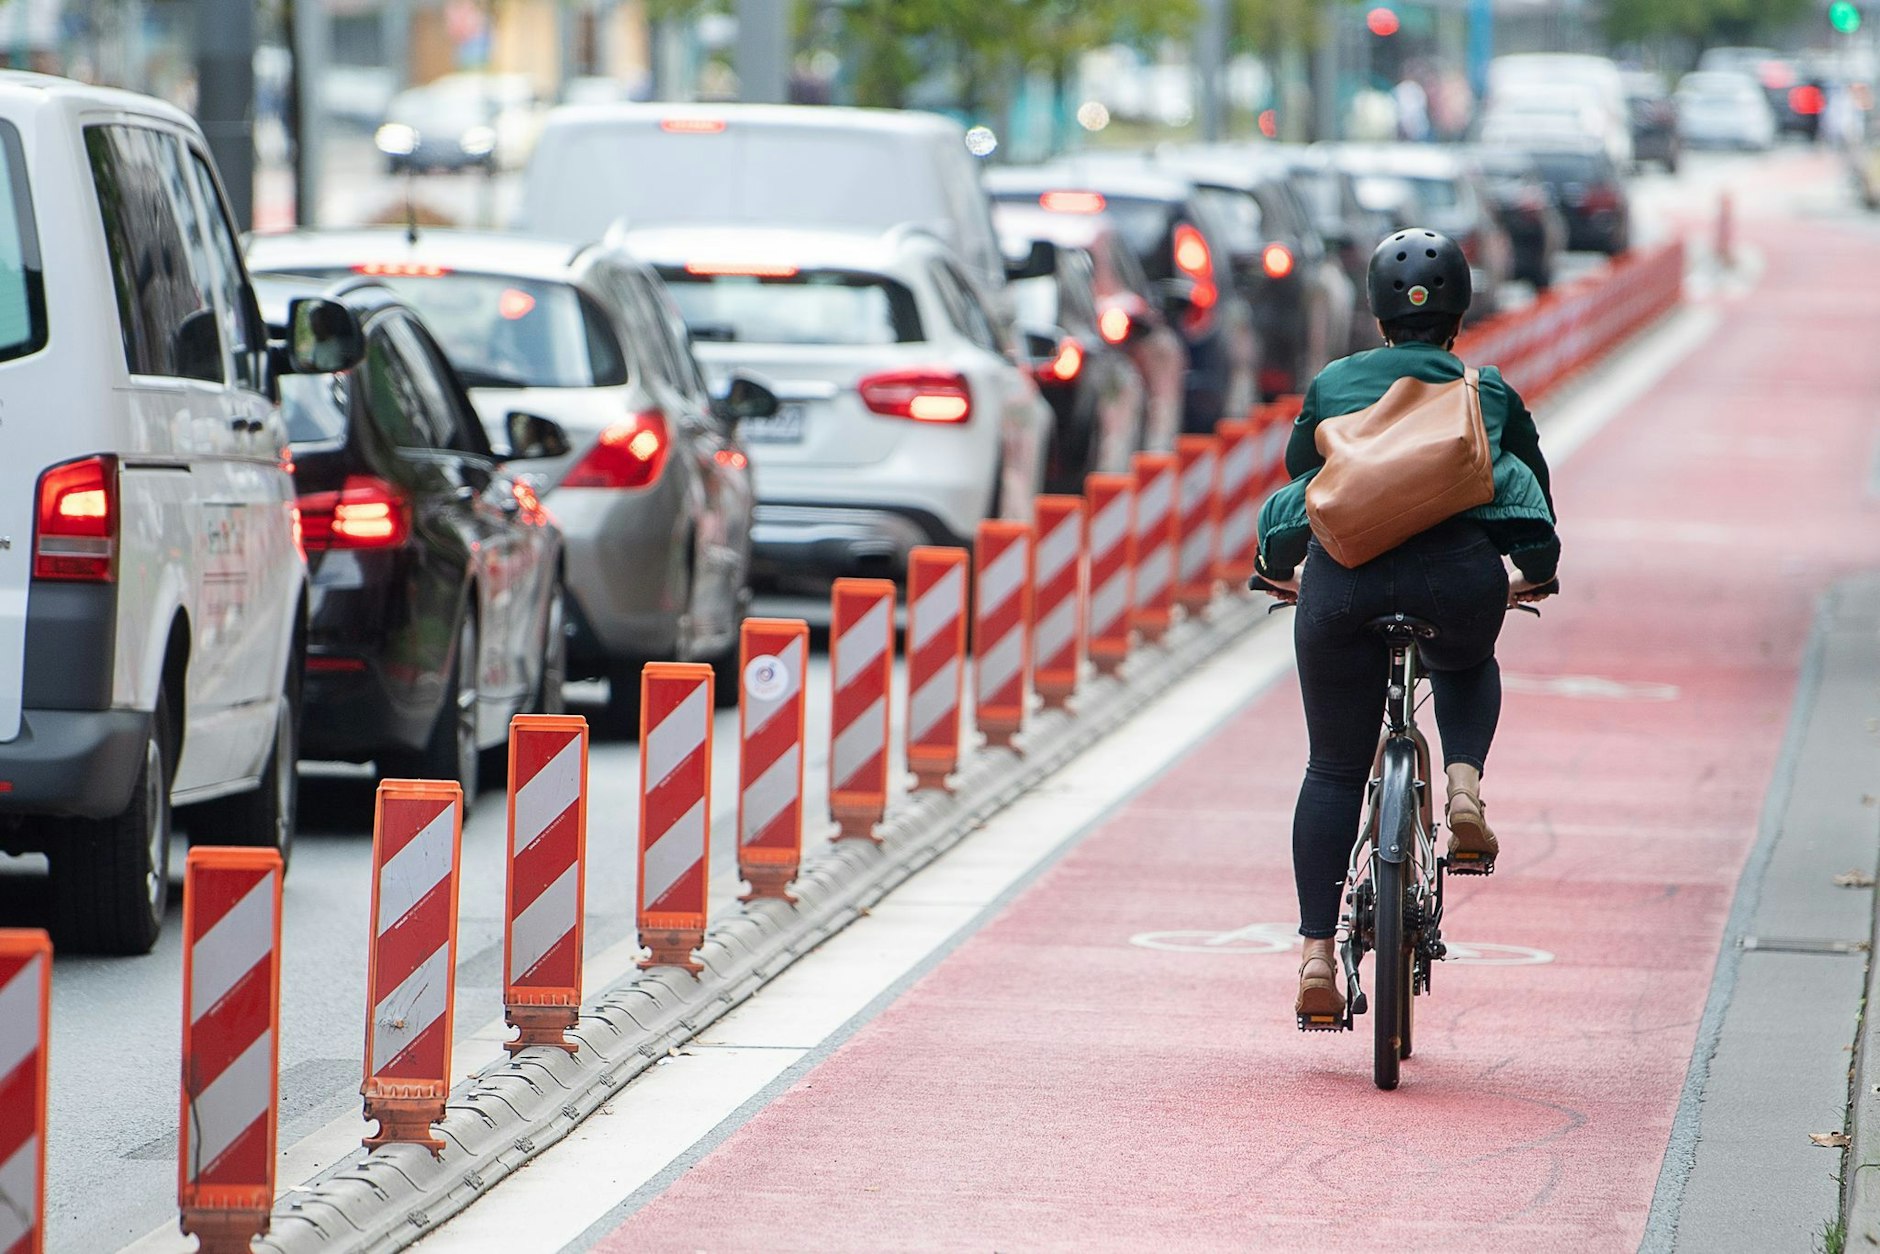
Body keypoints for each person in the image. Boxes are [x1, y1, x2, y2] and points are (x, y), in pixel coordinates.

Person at [1252, 229, 1559, 1023]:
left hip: (1342, 586)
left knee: (1332, 769)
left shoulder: (1332, 384)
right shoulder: (1486, 391)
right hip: (1457, 580)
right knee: (1465, 660)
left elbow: (1304, 484)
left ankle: (1316, 957)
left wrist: (1276, 565)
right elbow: (1530, 497)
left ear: (1376, 314)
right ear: (1460, 313)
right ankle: (1463, 789)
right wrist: (1535, 570)